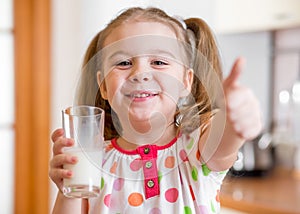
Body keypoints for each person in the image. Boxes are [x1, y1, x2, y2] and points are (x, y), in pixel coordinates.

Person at [49, 7, 262, 214]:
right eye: (123, 63)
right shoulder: (92, 161)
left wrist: (234, 120)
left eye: (158, 62)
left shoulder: (197, 149)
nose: (140, 73)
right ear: (103, 85)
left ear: (185, 82)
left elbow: (224, 137)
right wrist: (68, 188)